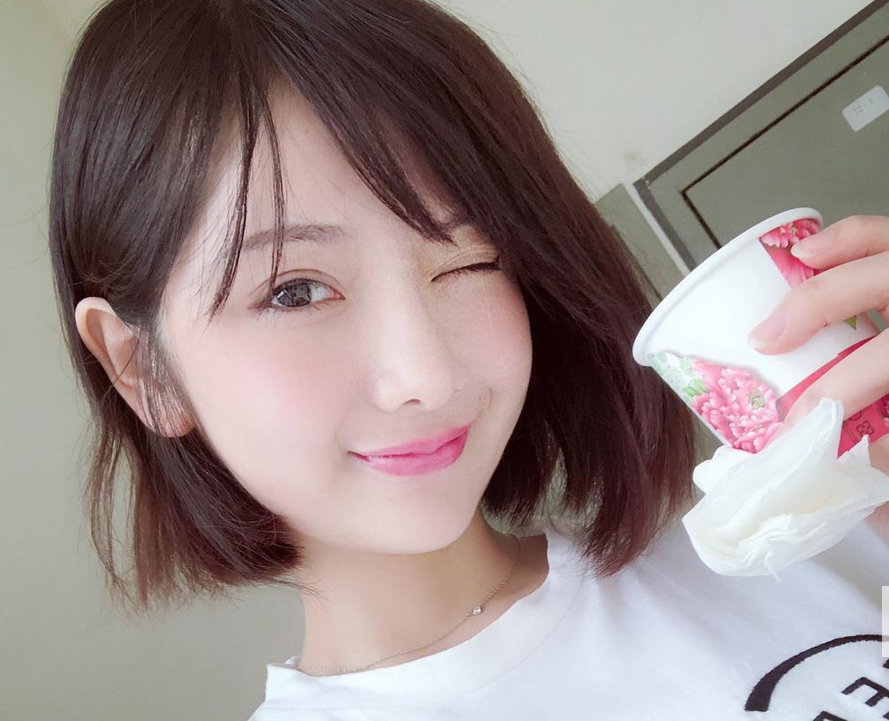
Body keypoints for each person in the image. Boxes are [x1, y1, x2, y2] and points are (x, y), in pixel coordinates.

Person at [48, 0, 889, 718]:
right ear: (141, 368)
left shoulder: (803, 542)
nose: (427, 374)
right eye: (295, 290)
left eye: (471, 262)